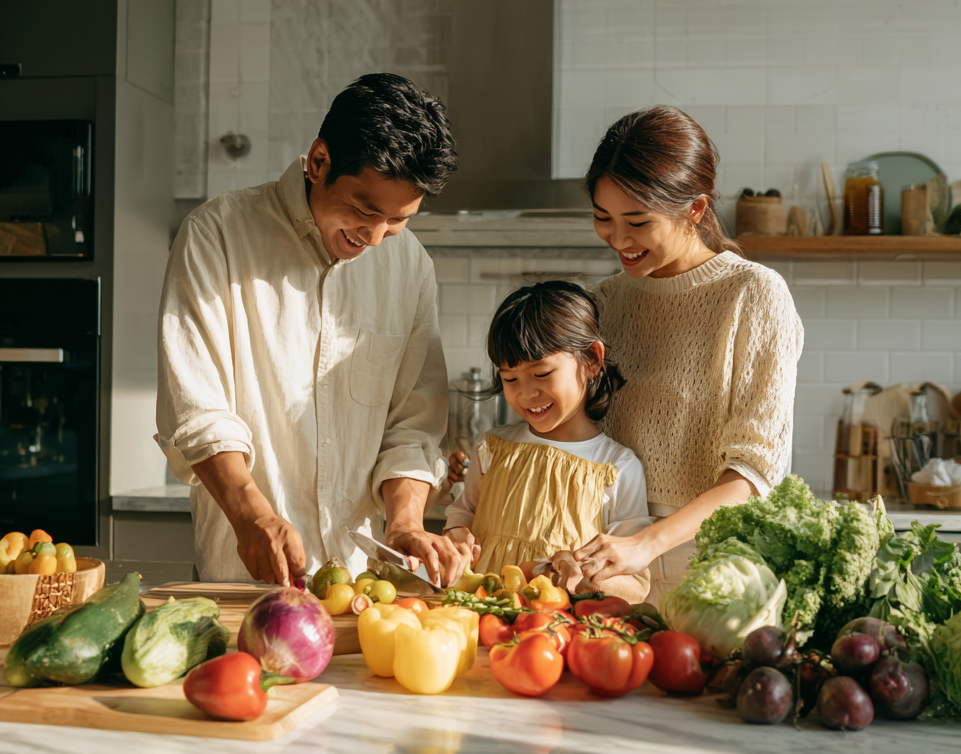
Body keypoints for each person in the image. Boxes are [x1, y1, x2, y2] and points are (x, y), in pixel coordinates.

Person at [156, 73, 471, 587]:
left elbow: (412, 423)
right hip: (244, 579)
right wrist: (252, 516)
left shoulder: (409, 266)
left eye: (397, 220)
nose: (374, 237)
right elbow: (197, 409)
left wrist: (407, 521)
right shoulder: (216, 236)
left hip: (364, 586)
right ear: (319, 160)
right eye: (365, 209)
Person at [571, 105, 805, 602]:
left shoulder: (754, 295)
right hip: (607, 560)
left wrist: (647, 543)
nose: (618, 239)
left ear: (695, 210)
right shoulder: (605, 301)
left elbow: (754, 471)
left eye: (637, 221)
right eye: (602, 218)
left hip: (712, 567)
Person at [442, 281, 653, 603]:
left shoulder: (617, 467)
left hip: (557, 635)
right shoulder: (492, 448)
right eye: (510, 379)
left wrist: (580, 573)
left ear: (592, 359)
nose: (526, 394)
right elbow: (462, 513)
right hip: (482, 619)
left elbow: (635, 585)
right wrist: (456, 535)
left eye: (542, 374)